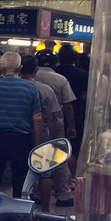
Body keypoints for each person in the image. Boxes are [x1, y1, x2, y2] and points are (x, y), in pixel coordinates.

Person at [0, 52, 44, 199]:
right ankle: (17, 212)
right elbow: (38, 118)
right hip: (22, 139)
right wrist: (37, 142)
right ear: (20, 67)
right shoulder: (31, 88)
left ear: (1, 67)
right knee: (20, 179)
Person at [31, 50, 75, 207]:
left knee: (37, 158)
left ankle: (37, 192)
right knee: (59, 158)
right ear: (56, 62)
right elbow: (68, 105)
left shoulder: (29, 78)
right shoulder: (60, 79)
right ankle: (63, 194)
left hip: (33, 125)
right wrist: (72, 126)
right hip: (56, 123)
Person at [20, 55, 61, 212]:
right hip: (42, 135)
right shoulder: (45, 89)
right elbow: (51, 117)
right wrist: (55, 138)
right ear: (36, 70)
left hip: (20, 133)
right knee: (45, 171)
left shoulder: (16, 87)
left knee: (21, 170)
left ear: (19, 69)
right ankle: (45, 208)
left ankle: (20, 204)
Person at [55, 45, 89, 178]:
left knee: (55, 147)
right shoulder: (83, 74)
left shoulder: (55, 72)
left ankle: (55, 178)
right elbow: (85, 97)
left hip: (55, 113)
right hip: (76, 114)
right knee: (72, 149)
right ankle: (72, 178)